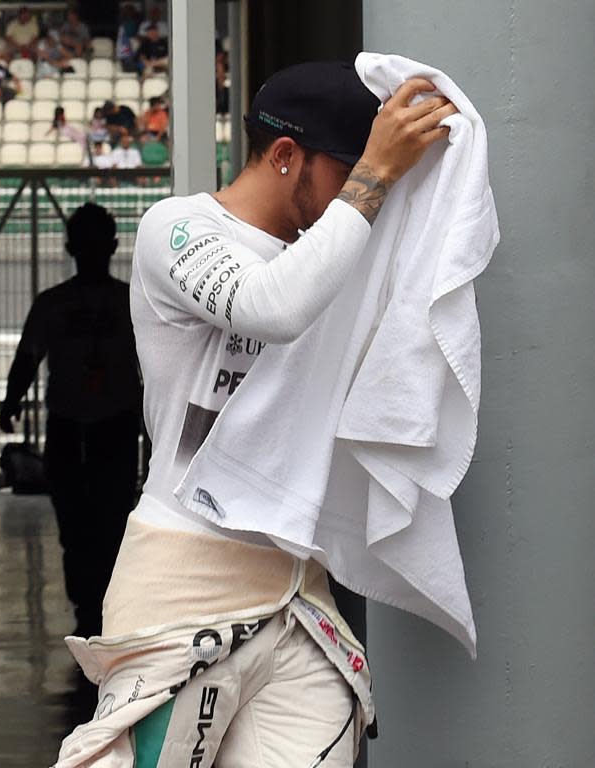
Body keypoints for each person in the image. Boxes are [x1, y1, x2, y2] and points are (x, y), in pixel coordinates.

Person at [55, 62, 457, 766]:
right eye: (347, 170)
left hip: (300, 593)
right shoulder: (176, 228)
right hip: (183, 578)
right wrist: (376, 176)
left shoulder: (332, 259)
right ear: (283, 156)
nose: (362, 194)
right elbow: (270, 306)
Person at [0, 204, 142, 639]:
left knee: (96, 523)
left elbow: (27, 359)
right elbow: (27, 358)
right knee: (88, 524)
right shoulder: (117, 302)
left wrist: (12, 402)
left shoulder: (106, 302)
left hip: (104, 425)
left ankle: (98, 607)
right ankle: (93, 609)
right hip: (86, 426)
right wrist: (11, 400)